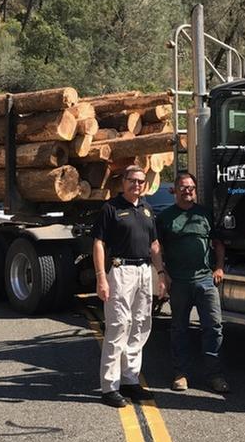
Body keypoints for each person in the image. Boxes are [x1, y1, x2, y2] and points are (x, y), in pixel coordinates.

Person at [92, 166, 168, 408]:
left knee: (140, 325)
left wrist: (161, 273)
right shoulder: (111, 208)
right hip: (121, 270)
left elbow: (154, 244)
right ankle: (109, 387)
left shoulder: (146, 209)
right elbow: (99, 244)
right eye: (132, 180)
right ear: (123, 182)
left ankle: (130, 380)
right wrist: (101, 277)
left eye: (141, 181)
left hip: (144, 271)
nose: (137, 185)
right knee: (117, 327)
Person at [156, 172, 229, 394]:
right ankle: (181, 374)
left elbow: (217, 243)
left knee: (213, 327)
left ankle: (214, 375)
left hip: (205, 280)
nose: (187, 191)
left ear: (195, 190)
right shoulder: (165, 217)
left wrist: (219, 267)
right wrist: (163, 273)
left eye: (191, 188)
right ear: (175, 190)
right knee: (179, 329)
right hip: (179, 282)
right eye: (183, 187)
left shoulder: (205, 214)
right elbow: (157, 247)